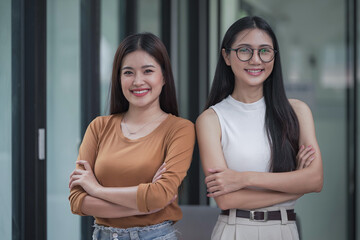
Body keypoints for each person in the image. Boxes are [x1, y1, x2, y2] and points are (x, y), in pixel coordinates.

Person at [196, 16, 323, 240]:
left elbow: (315, 180)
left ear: (274, 56)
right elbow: (226, 199)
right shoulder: (211, 119)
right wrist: (295, 187)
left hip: (284, 230)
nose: (256, 60)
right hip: (234, 230)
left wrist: (244, 179)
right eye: (244, 50)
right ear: (226, 56)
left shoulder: (297, 112)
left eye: (264, 51)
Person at [69, 32, 195, 240]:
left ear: (163, 76)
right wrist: (145, 205)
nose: (138, 81)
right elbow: (77, 200)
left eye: (148, 71)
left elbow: (161, 195)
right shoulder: (99, 127)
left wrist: (97, 190)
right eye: (128, 72)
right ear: (118, 79)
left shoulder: (180, 129)